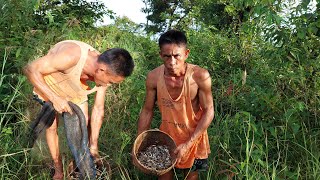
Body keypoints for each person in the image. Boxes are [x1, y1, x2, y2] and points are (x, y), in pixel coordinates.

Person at [24, 40, 134, 179]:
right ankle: (58, 169)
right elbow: (30, 68)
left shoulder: (106, 69)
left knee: (84, 122)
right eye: (110, 82)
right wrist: (55, 98)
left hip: (75, 87)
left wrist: (94, 146)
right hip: (50, 83)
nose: (109, 84)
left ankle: (80, 163)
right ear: (101, 70)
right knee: (51, 126)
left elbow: (98, 109)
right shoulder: (71, 55)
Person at [137, 30, 214, 180]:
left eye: (176, 56)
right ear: (160, 55)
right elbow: (147, 110)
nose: (172, 62)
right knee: (164, 177)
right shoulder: (153, 77)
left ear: (186, 54)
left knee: (191, 177)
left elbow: (209, 111)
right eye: (166, 56)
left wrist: (188, 143)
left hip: (194, 137)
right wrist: (139, 141)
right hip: (166, 137)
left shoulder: (199, 76)